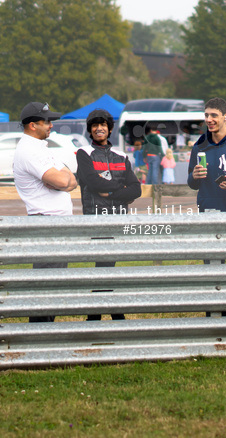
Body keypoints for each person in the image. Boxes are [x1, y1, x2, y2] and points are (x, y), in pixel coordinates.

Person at [13, 101, 78, 323]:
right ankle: (39, 334)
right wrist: (63, 181)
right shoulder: (29, 150)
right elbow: (63, 178)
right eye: (47, 121)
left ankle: (44, 332)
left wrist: (64, 182)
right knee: (46, 284)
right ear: (33, 125)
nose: (51, 125)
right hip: (46, 223)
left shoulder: (40, 147)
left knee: (54, 283)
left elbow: (72, 179)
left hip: (55, 223)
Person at [75, 108, 142, 321]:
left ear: (110, 128)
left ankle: (100, 314)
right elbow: (93, 182)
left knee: (109, 265)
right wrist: (122, 191)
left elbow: (136, 189)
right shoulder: (84, 153)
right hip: (96, 217)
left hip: (118, 218)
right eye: (94, 125)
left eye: (102, 125)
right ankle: (106, 314)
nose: (99, 128)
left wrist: (112, 191)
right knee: (102, 265)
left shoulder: (122, 156)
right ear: (90, 130)